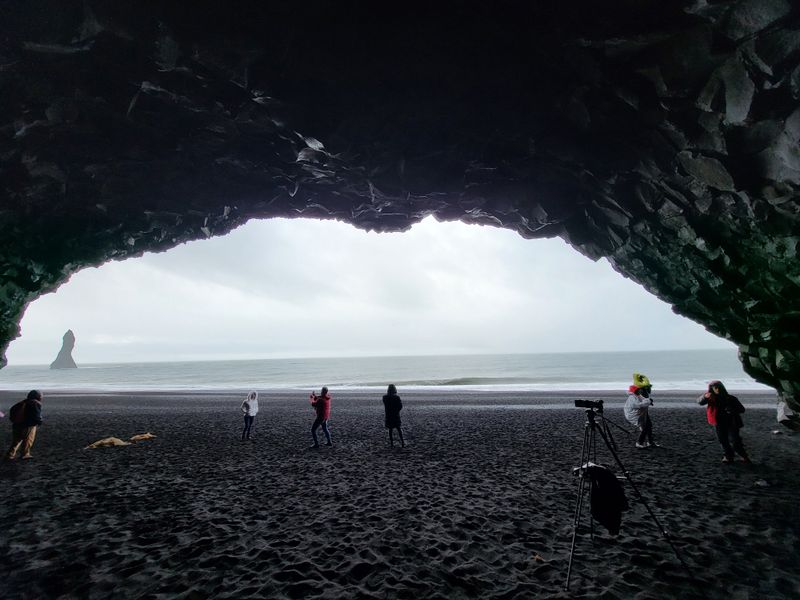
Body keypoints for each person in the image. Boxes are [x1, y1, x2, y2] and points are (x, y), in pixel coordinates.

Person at [698, 380, 749, 463]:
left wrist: (732, 410)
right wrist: (705, 396)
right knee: (723, 440)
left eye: (718, 388)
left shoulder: (731, 398)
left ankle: (743, 456)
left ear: (722, 388)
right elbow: (699, 402)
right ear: (712, 389)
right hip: (719, 422)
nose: (717, 389)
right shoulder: (710, 398)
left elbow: (742, 409)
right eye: (715, 388)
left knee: (735, 441)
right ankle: (728, 456)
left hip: (732, 422)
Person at [6, 390, 43, 460]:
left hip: (16, 424)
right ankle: (25, 454)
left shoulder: (21, 403)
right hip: (28, 425)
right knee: (28, 440)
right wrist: (39, 422)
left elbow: (12, 411)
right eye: (41, 396)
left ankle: (10, 454)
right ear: (37, 396)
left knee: (16, 440)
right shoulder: (35, 403)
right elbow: (36, 415)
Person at [624, 373, 658, 449]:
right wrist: (647, 402)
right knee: (645, 428)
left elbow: (645, 400)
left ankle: (650, 442)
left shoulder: (638, 396)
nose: (640, 390)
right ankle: (639, 443)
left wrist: (648, 401)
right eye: (639, 390)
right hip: (636, 414)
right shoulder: (632, 398)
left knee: (649, 426)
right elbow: (638, 405)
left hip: (642, 413)